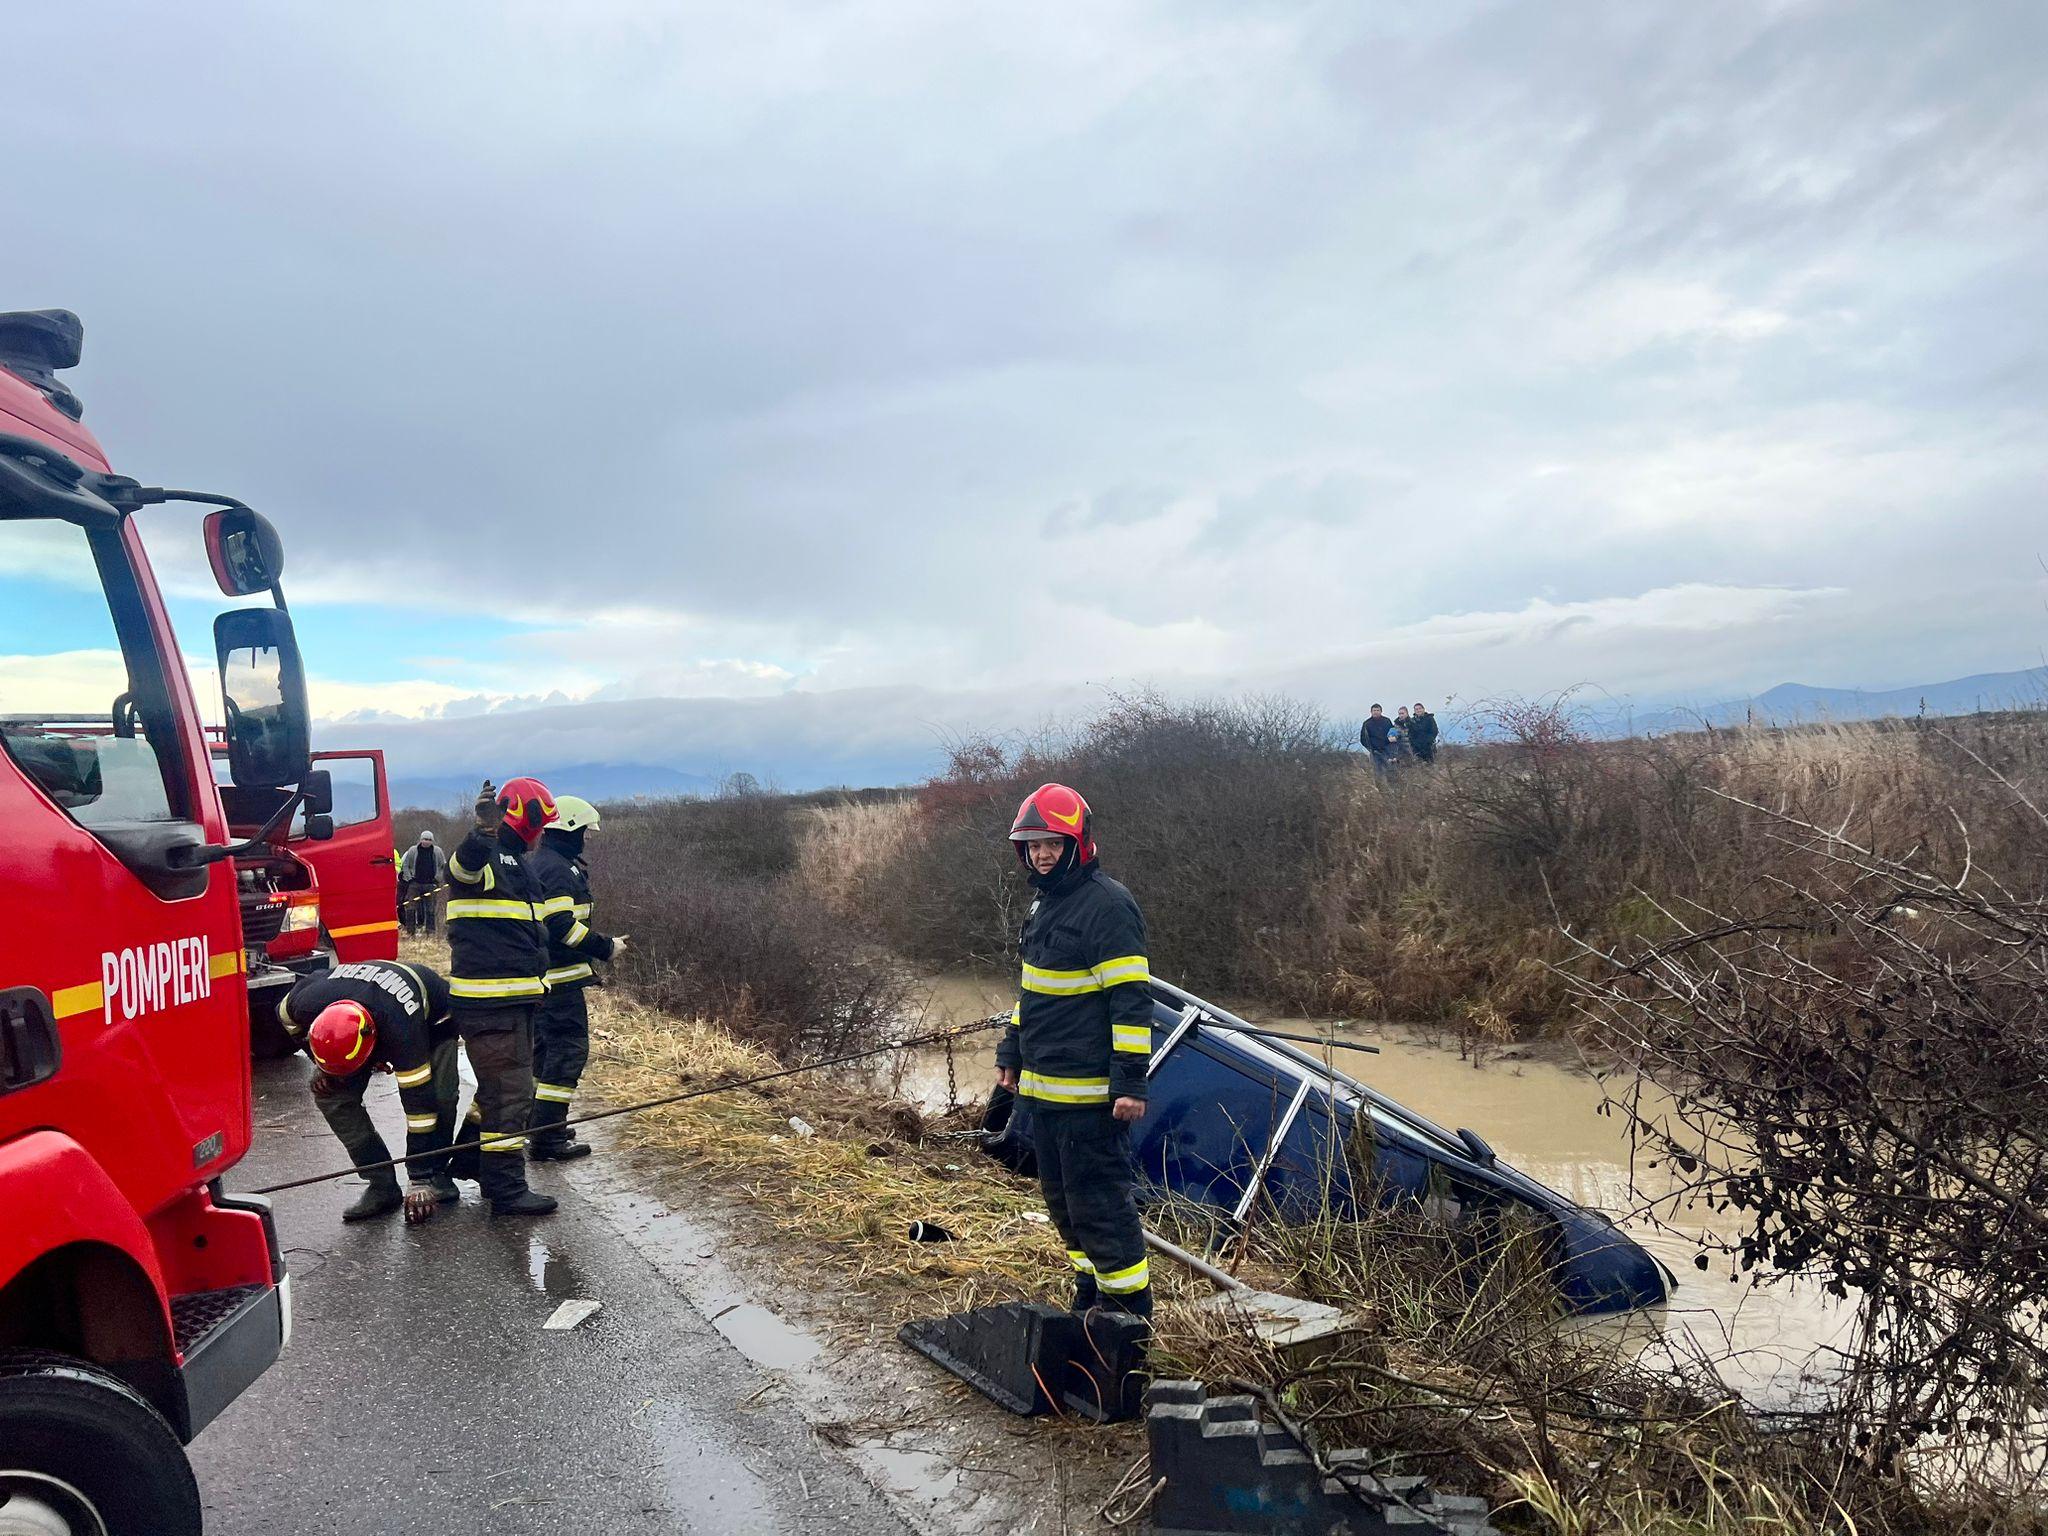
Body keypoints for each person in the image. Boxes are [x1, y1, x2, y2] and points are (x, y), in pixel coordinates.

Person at [993, 783, 1154, 1319]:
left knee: (1101, 1209)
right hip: (1044, 1094)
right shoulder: (1046, 904)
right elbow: (1033, 994)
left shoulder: (1108, 906)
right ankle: (1089, 1304)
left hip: (1090, 1099)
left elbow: (1130, 1001)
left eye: (1053, 844)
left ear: (1077, 843)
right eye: (1033, 845)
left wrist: (1131, 1083)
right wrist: (1011, 1051)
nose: (1041, 854)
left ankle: (1128, 1323)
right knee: (1064, 1207)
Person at [444, 776, 559, 1217]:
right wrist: (480, 835)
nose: (542, 832)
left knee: (499, 1091)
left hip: (513, 1000)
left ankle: (472, 1159)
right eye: (540, 822)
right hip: (491, 1004)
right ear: (524, 816)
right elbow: (460, 871)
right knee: (511, 1097)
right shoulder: (488, 853)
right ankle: (506, 1188)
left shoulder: (518, 862)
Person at [278, 958, 462, 1224]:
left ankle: (435, 1175)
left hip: (433, 1020)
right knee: (331, 1094)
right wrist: (325, 1067)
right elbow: (284, 1018)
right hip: (360, 1009)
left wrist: (419, 1178)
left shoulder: (402, 1030)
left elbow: (419, 1106)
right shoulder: (302, 1003)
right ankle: (381, 1185)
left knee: (439, 1095)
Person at [527, 794, 627, 1161]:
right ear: (568, 828)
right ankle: (548, 1139)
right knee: (567, 1054)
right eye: (583, 831)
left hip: (546, 982)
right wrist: (606, 947)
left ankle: (542, 1124)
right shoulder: (556, 869)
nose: (585, 838)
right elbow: (560, 927)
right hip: (559, 984)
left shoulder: (547, 863)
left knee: (544, 1055)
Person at [397, 830, 447, 936]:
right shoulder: (413, 850)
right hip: (415, 884)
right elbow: (405, 865)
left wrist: (438, 878)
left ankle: (431, 932)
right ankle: (410, 932)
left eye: (429, 840)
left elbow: (443, 866)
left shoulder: (437, 851)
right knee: (410, 907)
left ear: (432, 841)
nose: (427, 842)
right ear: (420, 840)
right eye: (425, 839)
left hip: (431, 884)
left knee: (430, 909)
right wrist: (409, 878)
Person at [1359, 704, 1394, 774]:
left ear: (1381, 711)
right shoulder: (1367, 723)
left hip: (1387, 751)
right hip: (1375, 753)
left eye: (1378, 710)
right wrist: (1371, 748)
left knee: (1391, 772)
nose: (1376, 712)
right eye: (1374, 710)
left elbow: (1392, 733)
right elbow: (1363, 739)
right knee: (1377, 773)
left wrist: (1391, 745)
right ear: (1371, 712)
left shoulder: (1387, 721)